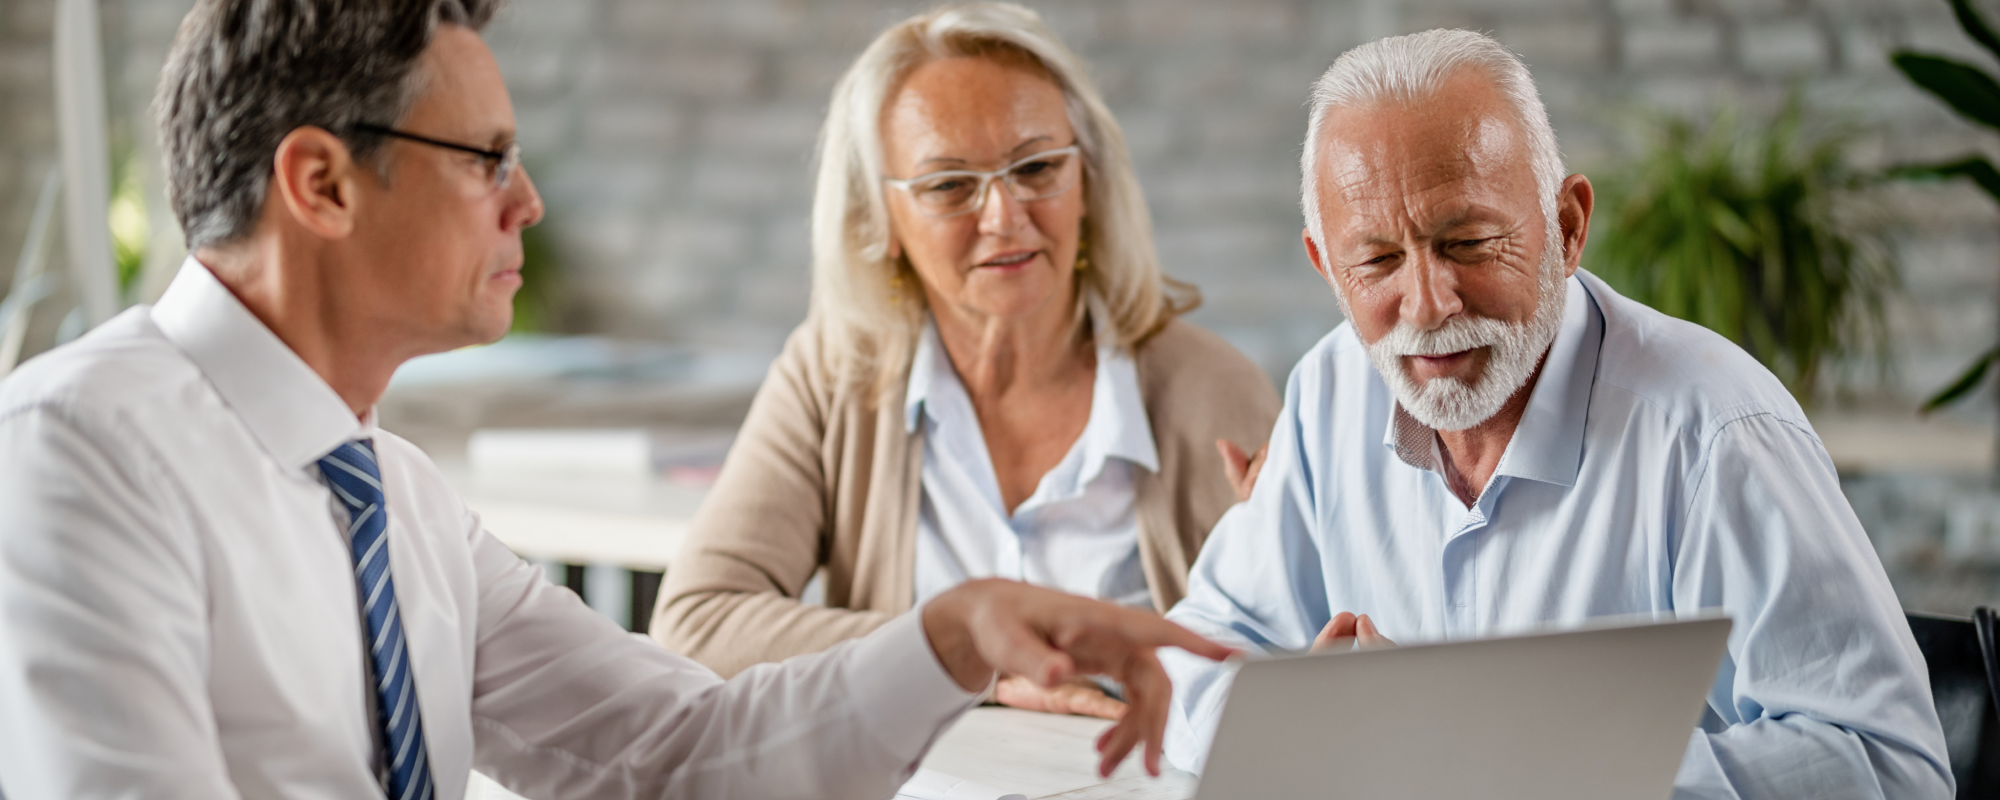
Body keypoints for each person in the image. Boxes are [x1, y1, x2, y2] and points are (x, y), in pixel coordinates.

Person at [0, 2, 1234, 798]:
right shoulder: (78, 449)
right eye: (486, 158)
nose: (527, 202)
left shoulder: (397, 503)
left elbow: (683, 752)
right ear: (320, 181)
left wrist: (955, 635)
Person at [1156, 29, 1953, 799]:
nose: (1427, 307)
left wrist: (1507, 762)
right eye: (1377, 261)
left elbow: (1891, 766)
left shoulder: (1715, 433)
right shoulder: (1330, 389)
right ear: (1326, 265)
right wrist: (1302, 725)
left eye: (1467, 243)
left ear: (1568, 228)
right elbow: (1196, 657)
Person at [649, 2, 1280, 721]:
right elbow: (697, 624)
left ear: (1089, 185)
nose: (1004, 217)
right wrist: (970, 654)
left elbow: (1282, 659)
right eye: (949, 185)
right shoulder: (835, 373)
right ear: (877, 220)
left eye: (1038, 168)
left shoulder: (1212, 389)